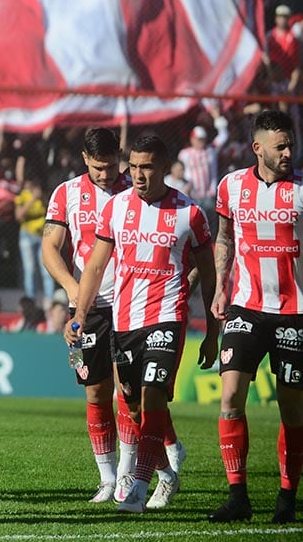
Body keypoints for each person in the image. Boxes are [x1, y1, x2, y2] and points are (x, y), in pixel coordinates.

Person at [66, 134, 217, 513]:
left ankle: (137, 488)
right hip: (124, 320)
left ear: (165, 167)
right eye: (132, 166)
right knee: (131, 409)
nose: (137, 174)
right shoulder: (116, 208)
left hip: (167, 317)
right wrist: (80, 315)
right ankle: (167, 474)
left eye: (146, 166)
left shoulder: (190, 214)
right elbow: (97, 265)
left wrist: (213, 329)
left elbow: (209, 273)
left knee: (151, 398)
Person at [42, 127, 150, 503]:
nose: (107, 174)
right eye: (99, 167)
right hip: (84, 308)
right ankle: (106, 478)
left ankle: (127, 474)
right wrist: (74, 293)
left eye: (111, 166)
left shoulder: (135, 189)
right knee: (92, 389)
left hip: (129, 303)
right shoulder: (66, 193)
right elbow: (50, 248)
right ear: (85, 160)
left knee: (128, 390)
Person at [208, 109, 303, 523]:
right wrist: (219, 288)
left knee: (291, 409)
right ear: (257, 147)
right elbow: (224, 239)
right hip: (246, 307)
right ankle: (238, 497)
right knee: (230, 397)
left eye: (291, 145)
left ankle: (286, 499)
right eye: (280, 146)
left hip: (295, 312)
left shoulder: (301, 190)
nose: (288, 152)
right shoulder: (230, 187)